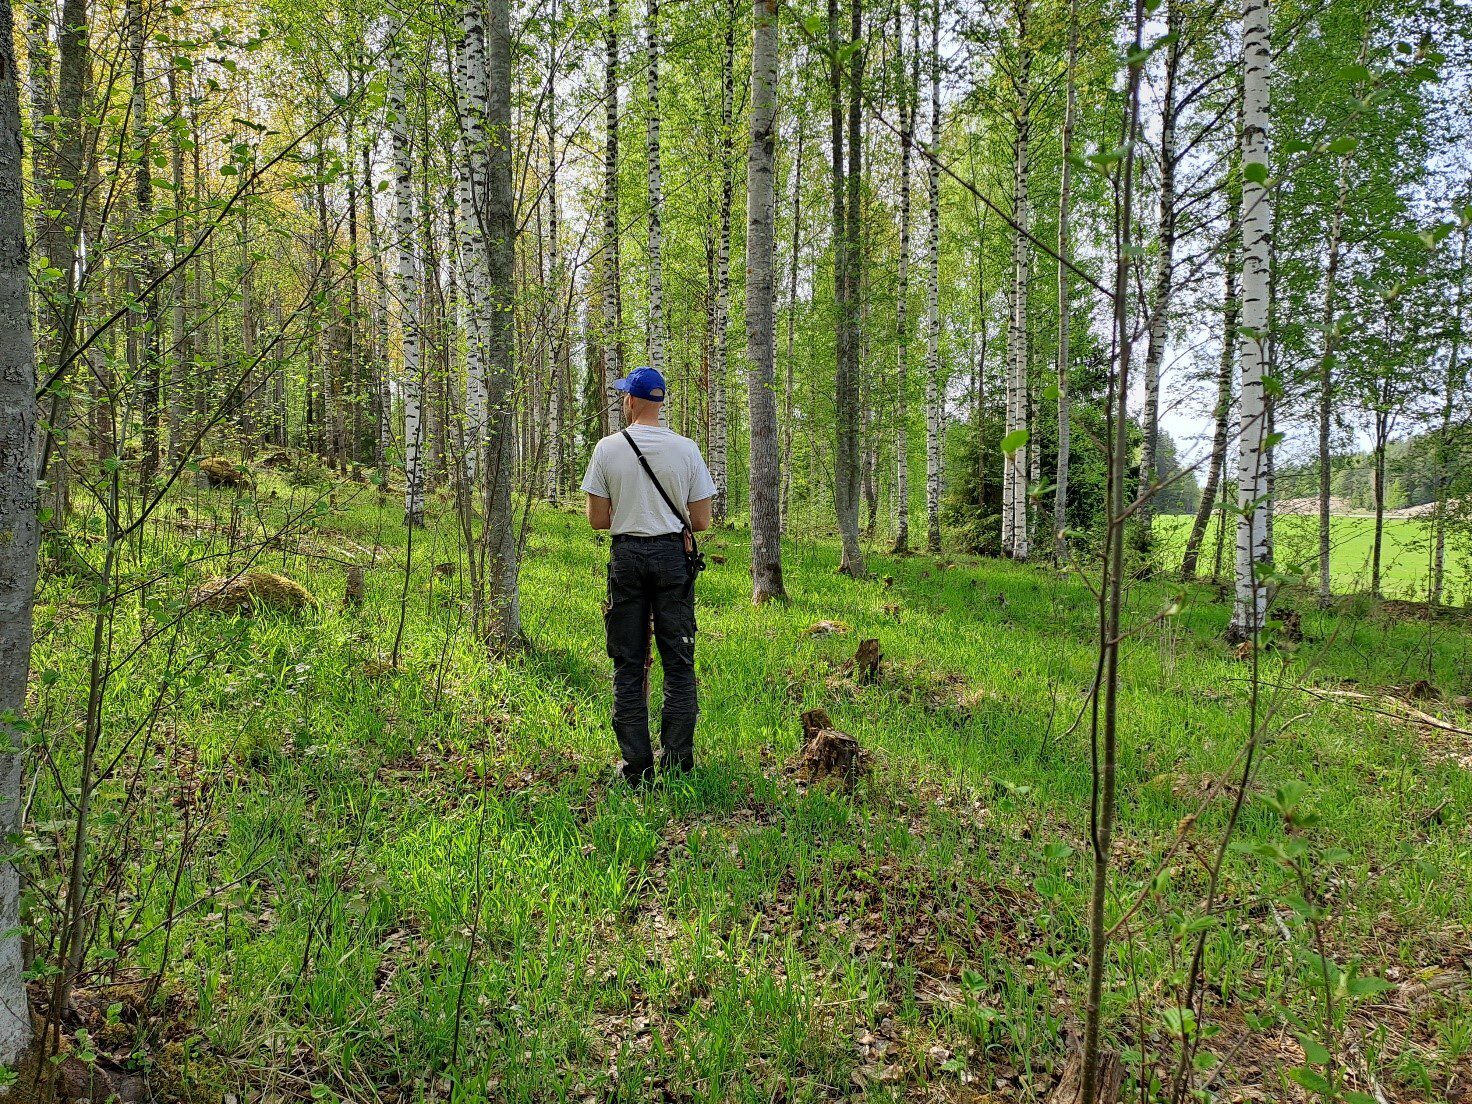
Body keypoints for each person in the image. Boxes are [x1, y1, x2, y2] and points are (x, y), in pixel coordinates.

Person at [581, 367, 715, 784]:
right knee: (679, 663)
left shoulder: (607, 449)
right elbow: (703, 520)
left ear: (633, 401)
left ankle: (636, 768)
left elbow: (598, 521)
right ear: (659, 403)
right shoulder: (687, 449)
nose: (623, 401)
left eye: (625, 396)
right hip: (673, 558)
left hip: (627, 558)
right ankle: (678, 765)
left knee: (628, 663)